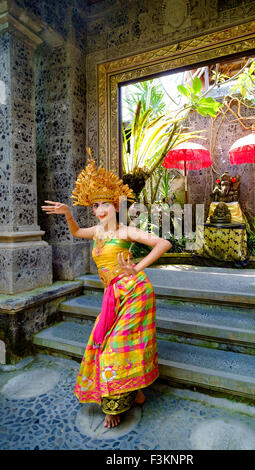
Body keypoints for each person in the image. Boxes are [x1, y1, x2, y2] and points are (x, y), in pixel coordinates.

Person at [41, 158, 172, 428]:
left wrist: (136, 268)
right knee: (109, 342)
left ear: (116, 206)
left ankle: (114, 406)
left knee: (116, 346)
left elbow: (163, 243)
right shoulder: (97, 232)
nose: (99, 210)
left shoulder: (126, 230)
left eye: (104, 204)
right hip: (114, 295)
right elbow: (77, 232)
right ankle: (134, 390)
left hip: (135, 292)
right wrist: (68, 213)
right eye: (95, 205)